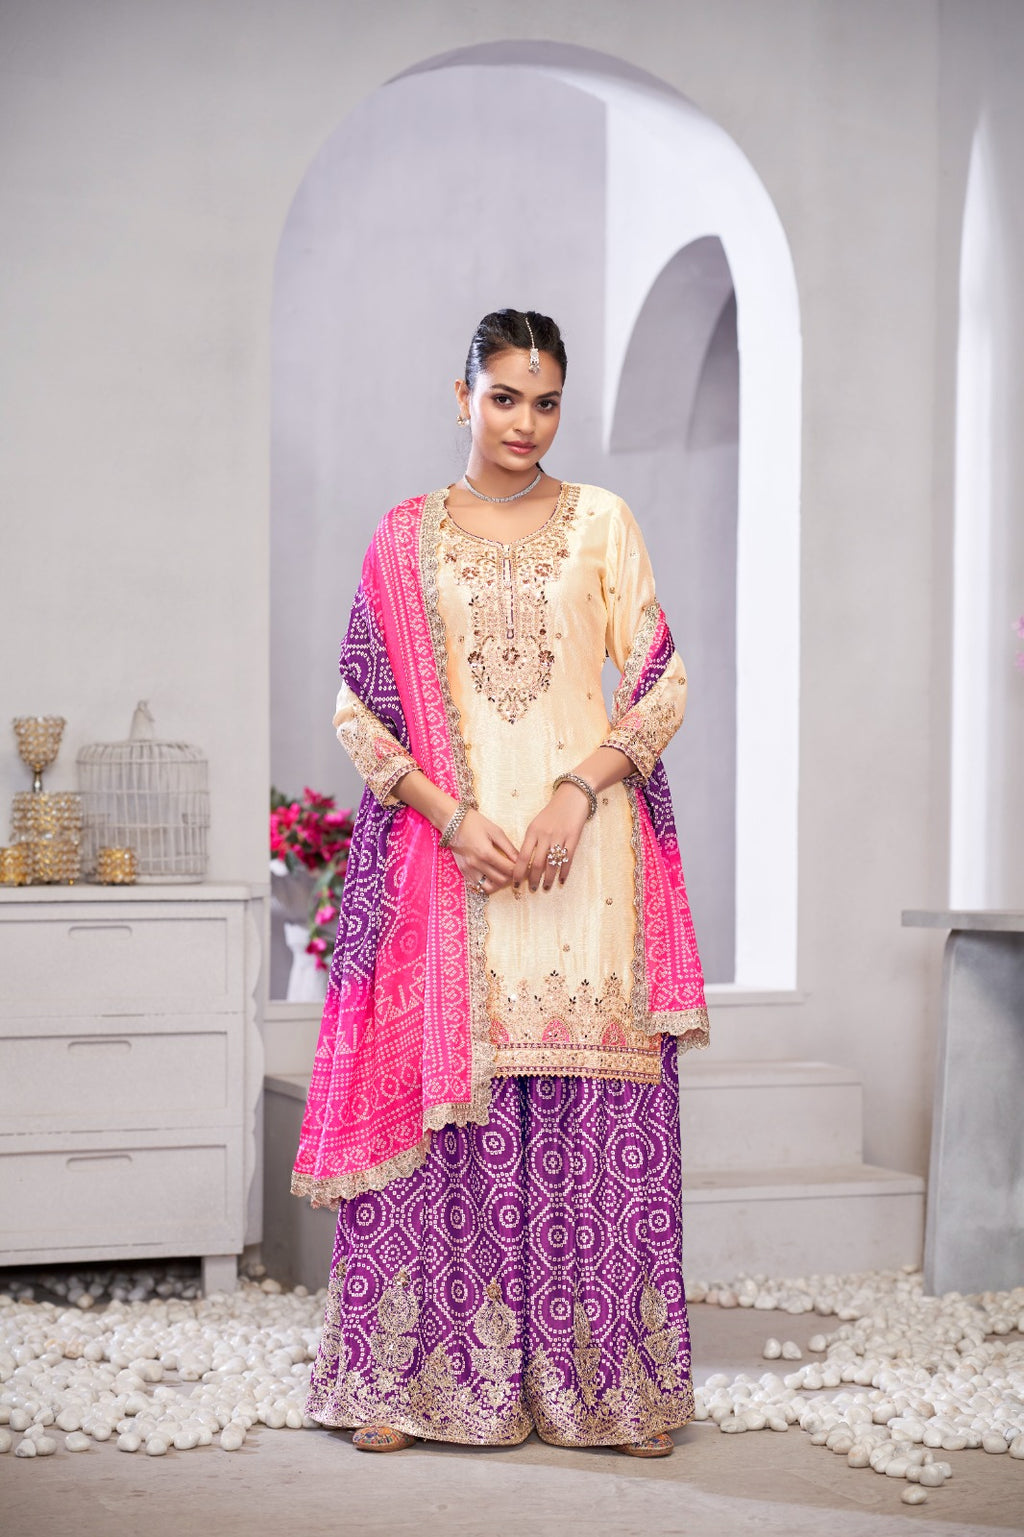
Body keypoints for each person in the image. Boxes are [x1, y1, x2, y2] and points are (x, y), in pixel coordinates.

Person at [292, 309, 709, 1457]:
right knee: (450, 1126)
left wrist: (579, 790)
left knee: (593, 1122)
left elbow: (661, 688)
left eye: (546, 401)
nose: (525, 422)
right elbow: (358, 712)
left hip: (590, 871)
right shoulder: (402, 537)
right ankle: (411, 1384)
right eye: (505, 396)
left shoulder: (604, 526)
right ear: (461, 394)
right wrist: (454, 819)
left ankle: (608, 1388)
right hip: (451, 874)